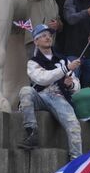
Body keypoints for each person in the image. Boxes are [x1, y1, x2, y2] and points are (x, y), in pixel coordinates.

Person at [17, 24, 82, 160]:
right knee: (25, 91)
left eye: (49, 35)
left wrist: (70, 85)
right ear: (36, 41)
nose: (48, 37)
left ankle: (76, 162)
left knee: (74, 126)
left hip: (59, 97)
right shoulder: (32, 62)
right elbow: (42, 79)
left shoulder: (63, 59)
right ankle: (32, 132)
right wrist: (65, 69)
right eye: (43, 35)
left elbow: (76, 85)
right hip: (40, 96)